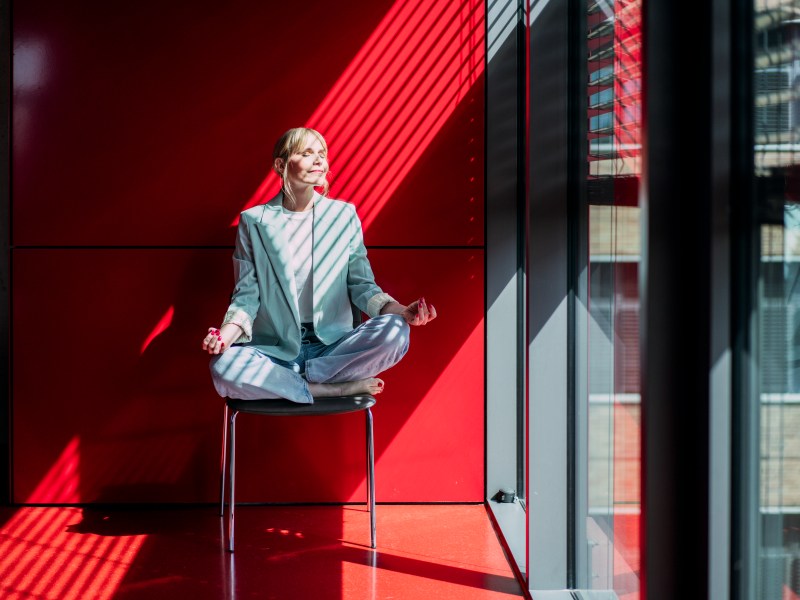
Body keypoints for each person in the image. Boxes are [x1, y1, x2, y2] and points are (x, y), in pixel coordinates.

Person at [202, 127, 436, 404]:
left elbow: (362, 286)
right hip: (275, 351)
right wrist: (224, 336)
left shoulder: (343, 216)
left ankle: (295, 384)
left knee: (396, 331)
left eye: (322, 155)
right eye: (306, 153)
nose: (319, 161)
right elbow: (247, 296)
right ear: (281, 164)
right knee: (223, 366)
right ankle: (328, 389)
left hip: (333, 349)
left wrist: (402, 311)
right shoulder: (254, 222)